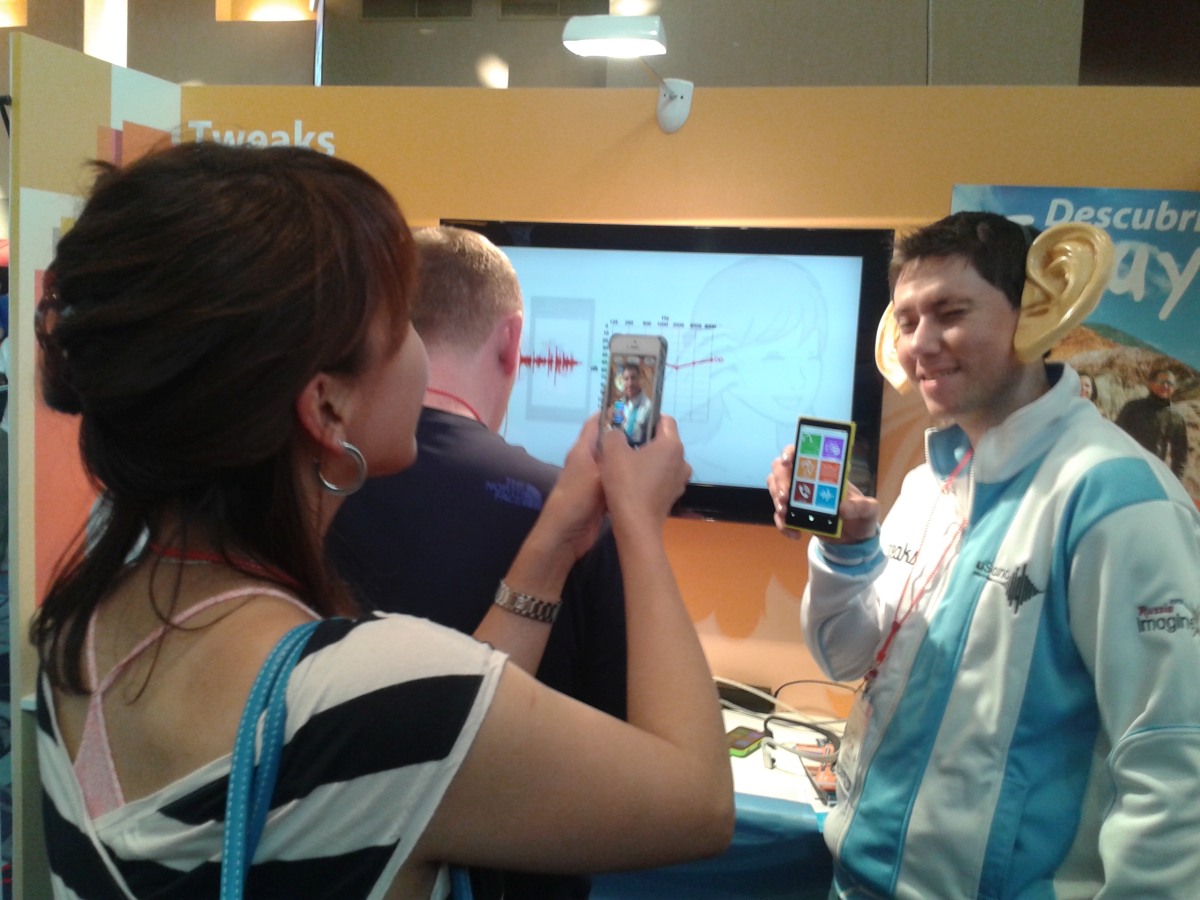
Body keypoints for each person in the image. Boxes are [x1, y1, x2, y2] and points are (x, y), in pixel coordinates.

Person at [33, 142, 733, 899]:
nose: (421, 351)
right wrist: (639, 521)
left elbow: (430, 730)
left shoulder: (79, 630)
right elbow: (698, 800)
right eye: (403, 323)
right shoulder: (364, 688)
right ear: (327, 406)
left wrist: (555, 544)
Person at [767, 211, 1200, 898]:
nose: (920, 343)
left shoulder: (1118, 500)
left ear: (1033, 314)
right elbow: (845, 656)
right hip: (855, 881)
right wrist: (846, 550)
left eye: (950, 313)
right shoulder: (929, 484)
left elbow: (1173, 767)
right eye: (907, 320)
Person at [327, 225, 628, 897]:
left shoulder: (306, 491)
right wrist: (634, 523)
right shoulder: (578, 515)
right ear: (513, 341)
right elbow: (638, 757)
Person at [1115, 365, 1188, 478]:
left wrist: (1175, 481)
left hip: (1153, 473)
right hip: (1126, 468)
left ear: (1173, 389)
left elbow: (1180, 455)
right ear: (1150, 384)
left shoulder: (1175, 416)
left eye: (1170, 383)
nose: (1166, 386)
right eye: (1162, 382)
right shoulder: (1133, 407)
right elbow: (1116, 436)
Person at [610, 361, 653, 447]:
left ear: (639, 380)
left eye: (633, 378)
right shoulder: (619, 405)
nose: (630, 383)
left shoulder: (649, 406)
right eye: (626, 379)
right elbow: (616, 432)